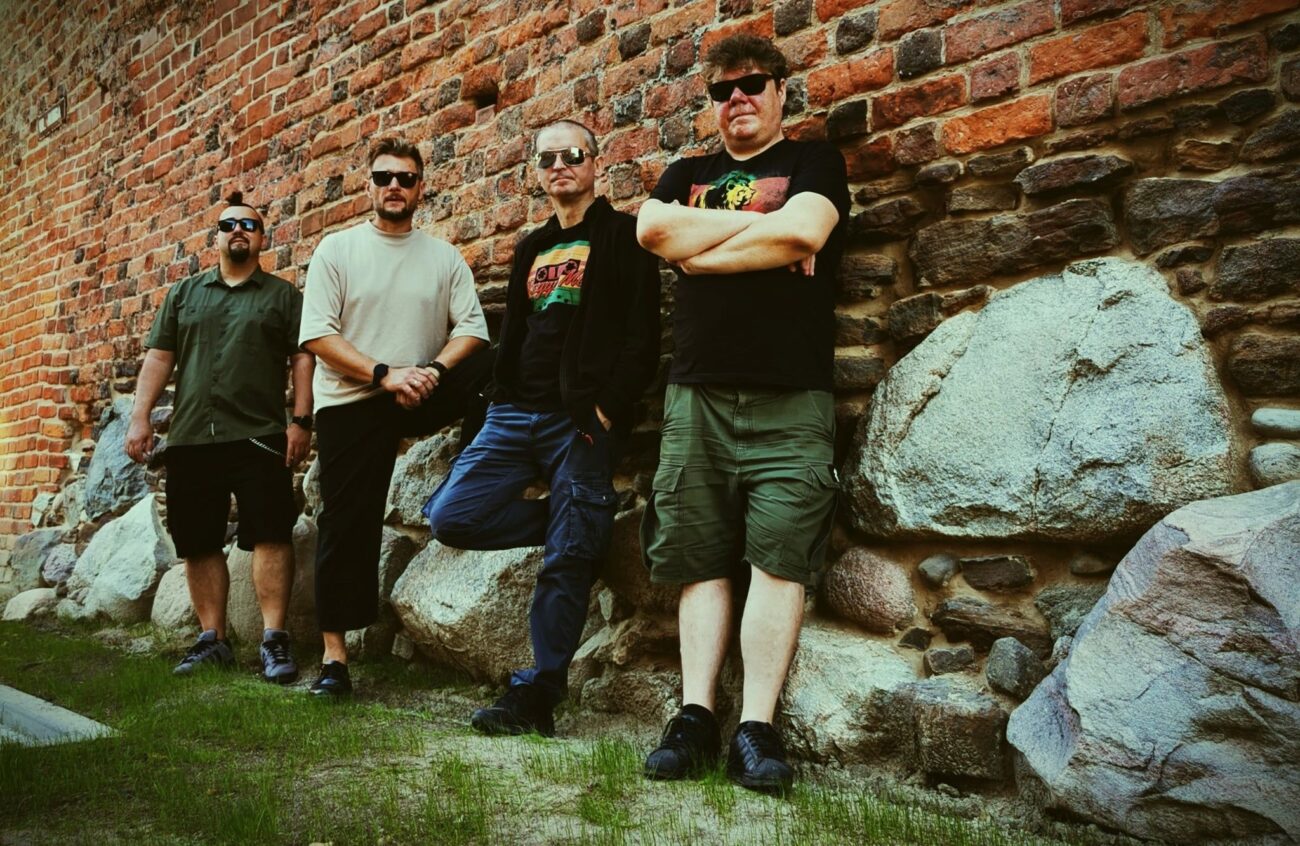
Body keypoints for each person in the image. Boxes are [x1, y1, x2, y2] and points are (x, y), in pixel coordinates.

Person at [635, 34, 850, 794]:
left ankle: (755, 729)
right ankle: (694, 718)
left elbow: (805, 230)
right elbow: (652, 232)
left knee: (780, 557)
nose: (738, 99)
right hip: (696, 392)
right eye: (723, 90)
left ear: (781, 90)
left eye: (753, 84)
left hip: (792, 394)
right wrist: (763, 234)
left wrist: (701, 250)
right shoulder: (687, 173)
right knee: (698, 556)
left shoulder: (816, 161)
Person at [424, 120, 660, 736]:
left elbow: (643, 336)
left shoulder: (623, 236)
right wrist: (497, 396)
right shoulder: (532, 246)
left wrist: (608, 407)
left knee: (565, 560)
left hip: (577, 421)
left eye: (572, 154)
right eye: (547, 158)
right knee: (450, 516)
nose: (560, 166)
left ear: (595, 162)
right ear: (537, 171)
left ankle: (538, 693)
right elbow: (515, 332)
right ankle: (577, 524)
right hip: (512, 414)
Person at [299, 137, 491, 697]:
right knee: (346, 521)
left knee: (499, 363)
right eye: (384, 177)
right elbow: (317, 335)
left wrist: (429, 371)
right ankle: (335, 659)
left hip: (420, 385)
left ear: (420, 188)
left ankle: (479, 470)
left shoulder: (443, 257)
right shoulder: (338, 250)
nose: (394, 187)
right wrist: (384, 375)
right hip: (354, 397)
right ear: (369, 185)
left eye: (405, 178)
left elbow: (473, 330)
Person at [126, 191, 314, 684]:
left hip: (259, 433)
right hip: (192, 436)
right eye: (228, 225)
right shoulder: (184, 294)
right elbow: (159, 357)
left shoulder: (283, 296)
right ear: (216, 238)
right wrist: (139, 417)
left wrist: (301, 420)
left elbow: (302, 358)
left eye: (248, 225)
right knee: (198, 539)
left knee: (271, 533)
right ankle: (214, 640)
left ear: (262, 239)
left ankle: (274, 639)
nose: (238, 231)